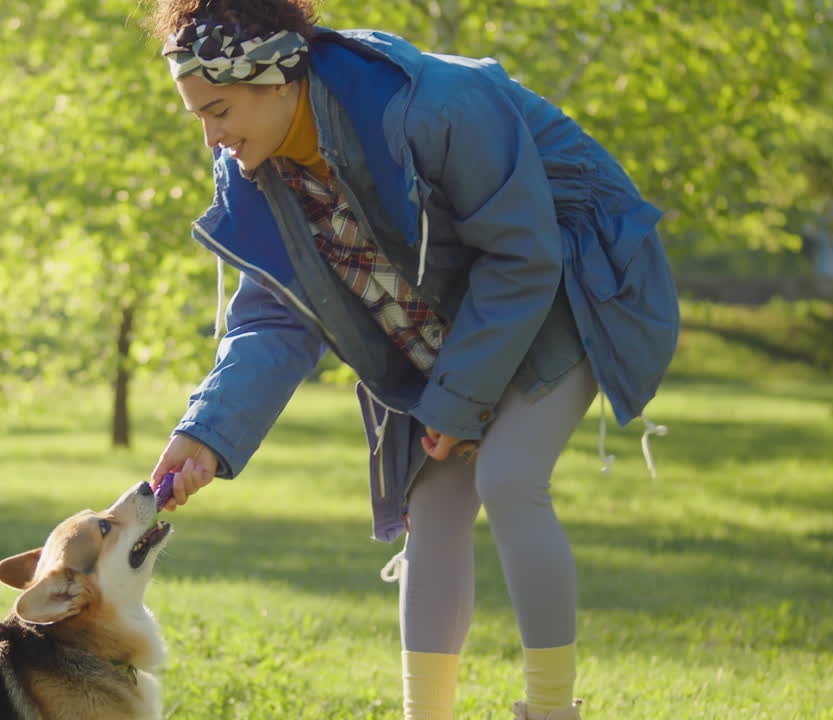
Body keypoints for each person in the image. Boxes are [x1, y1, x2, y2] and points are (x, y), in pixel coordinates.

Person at [144, 1, 679, 718]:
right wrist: (206, 433)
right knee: (432, 507)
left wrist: (458, 404)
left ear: (273, 79)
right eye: (198, 117)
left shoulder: (435, 106)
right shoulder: (255, 170)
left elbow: (523, 256)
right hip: (440, 324)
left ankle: (552, 711)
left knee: (510, 477)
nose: (211, 136)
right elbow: (275, 317)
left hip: (566, 282)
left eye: (218, 109)